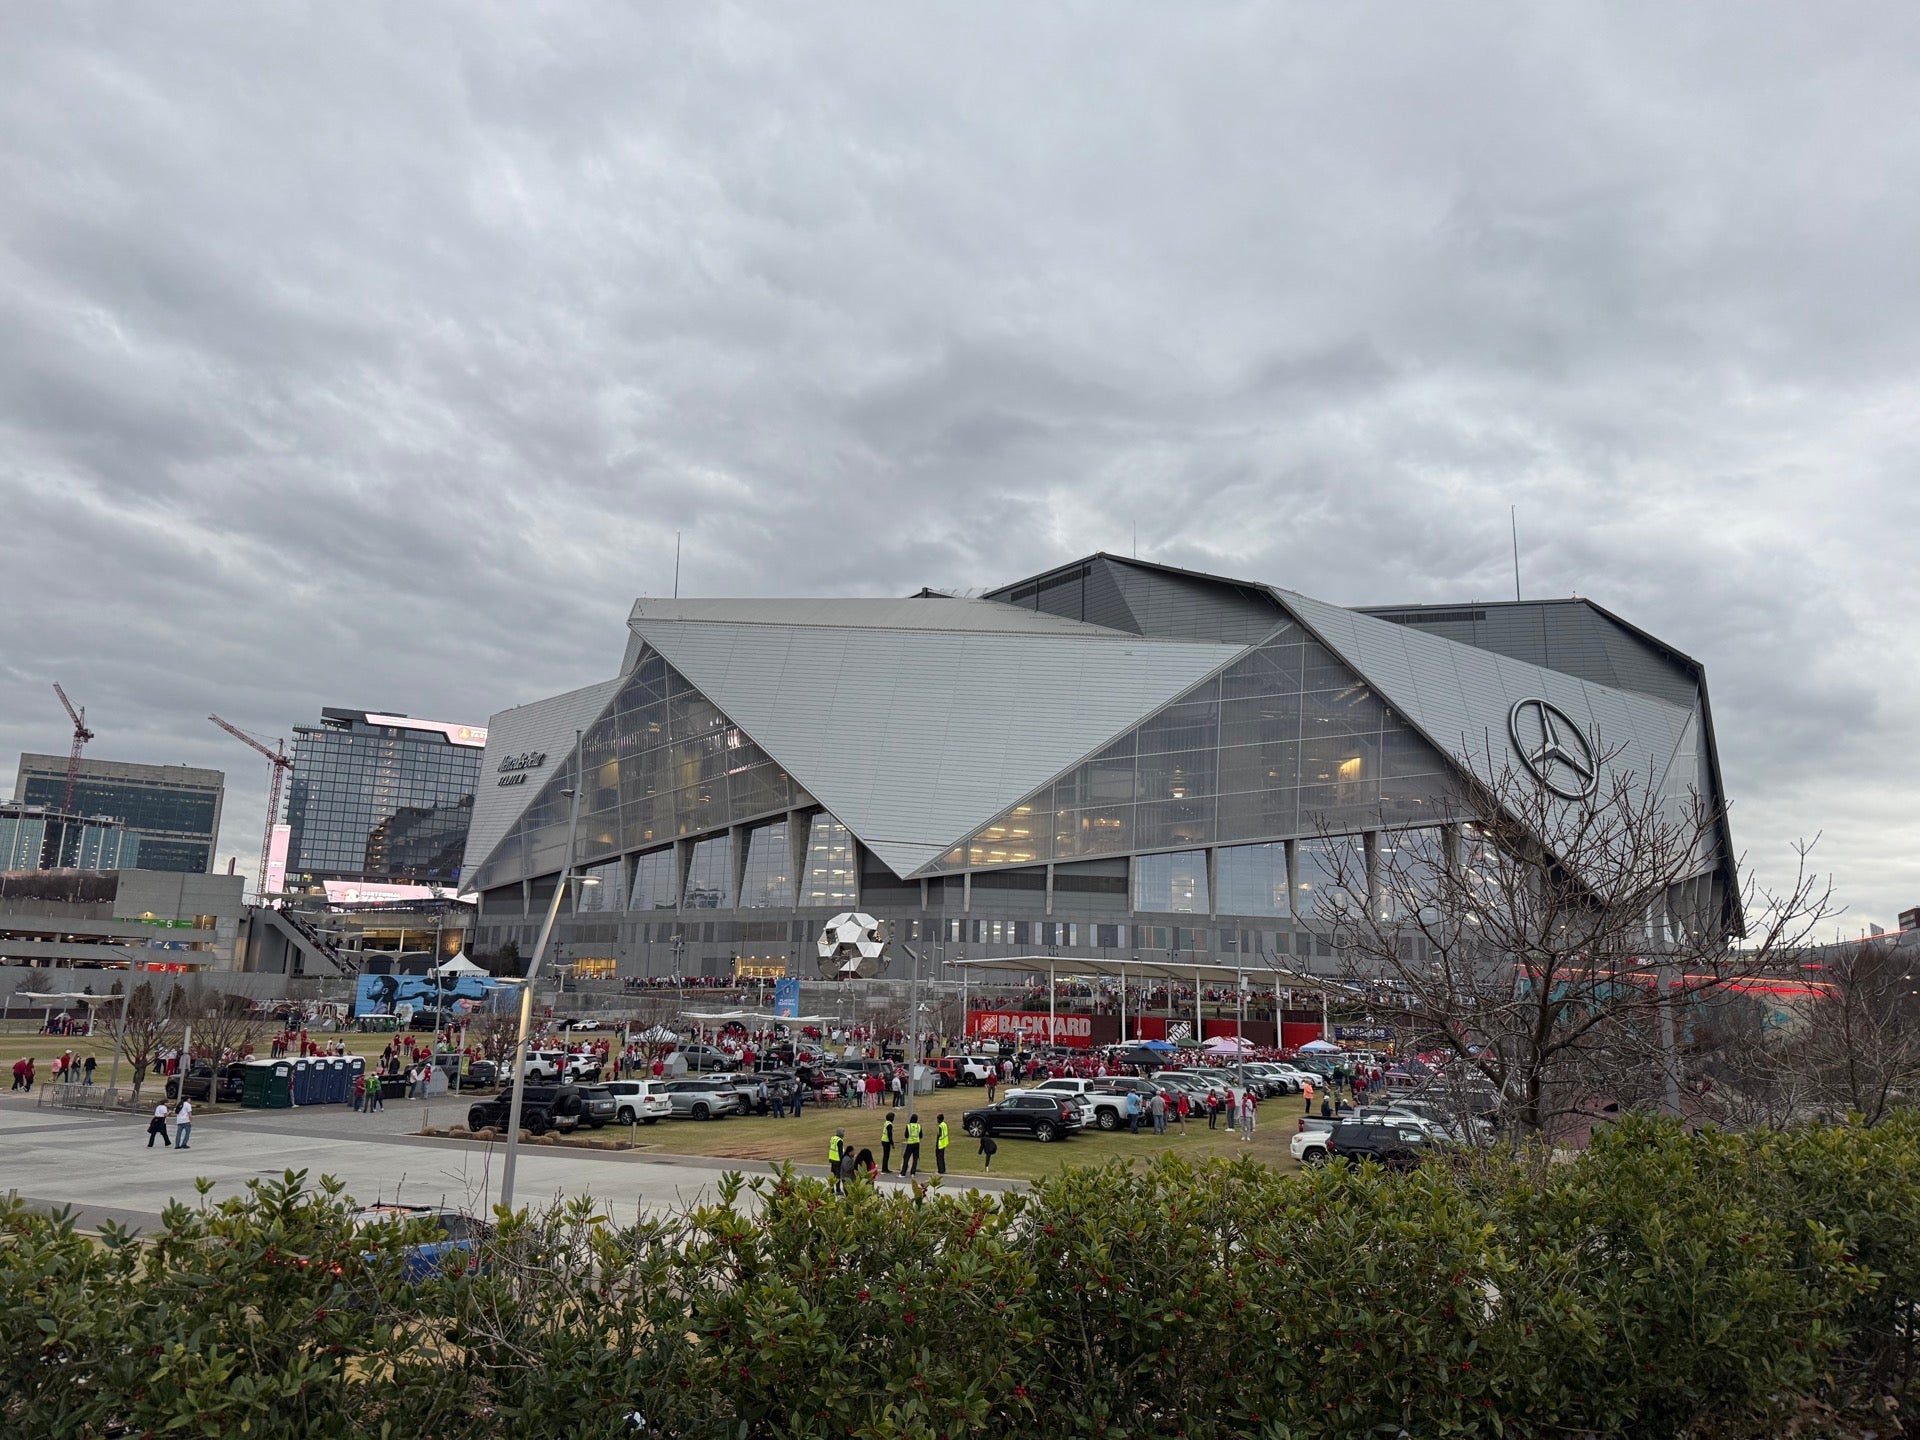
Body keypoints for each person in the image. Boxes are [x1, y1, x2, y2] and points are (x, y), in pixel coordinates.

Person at [828, 1128, 846, 1196]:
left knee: (833, 1175)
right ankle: (838, 1190)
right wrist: (842, 1161)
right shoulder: (840, 1141)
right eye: (843, 1132)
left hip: (832, 1159)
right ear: (841, 1133)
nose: (844, 1134)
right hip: (837, 1160)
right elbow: (840, 1152)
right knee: (838, 1176)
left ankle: (832, 1189)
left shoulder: (833, 1138)